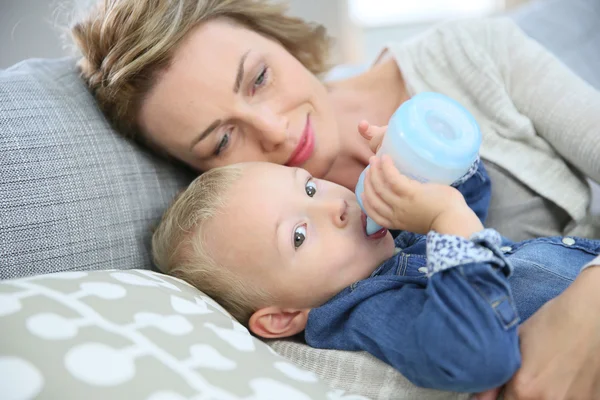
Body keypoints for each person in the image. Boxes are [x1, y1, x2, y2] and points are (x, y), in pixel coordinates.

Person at [71, 1, 600, 398]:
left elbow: (471, 216)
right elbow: (471, 343)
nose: (276, 133)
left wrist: (440, 175)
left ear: (278, 38)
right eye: (222, 140)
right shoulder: (347, 300)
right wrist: (445, 216)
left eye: (258, 78)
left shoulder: (365, 234)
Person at [151, 156, 600, 394]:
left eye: (309, 186)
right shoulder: (369, 313)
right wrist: (447, 219)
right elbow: (479, 358)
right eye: (300, 236)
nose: (336, 206)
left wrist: (424, 168)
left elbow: (472, 206)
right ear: (284, 317)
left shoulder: (389, 252)